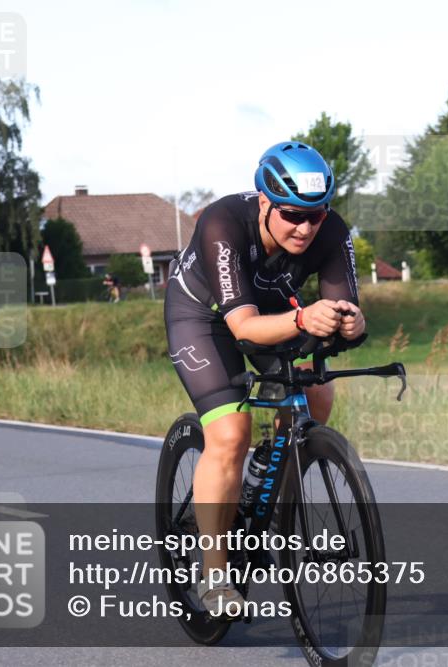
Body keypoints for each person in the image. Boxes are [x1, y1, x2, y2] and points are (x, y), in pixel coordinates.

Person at [163, 142, 365, 619]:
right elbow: (244, 330)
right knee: (231, 434)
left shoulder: (329, 231)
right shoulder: (221, 223)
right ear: (264, 202)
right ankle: (214, 577)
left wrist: (353, 323)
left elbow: (345, 309)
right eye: (293, 215)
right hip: (204, 316)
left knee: (315, 392)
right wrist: (303, 321)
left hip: (270, 310)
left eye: (316, 216)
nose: (305, 228)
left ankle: (265, 487)